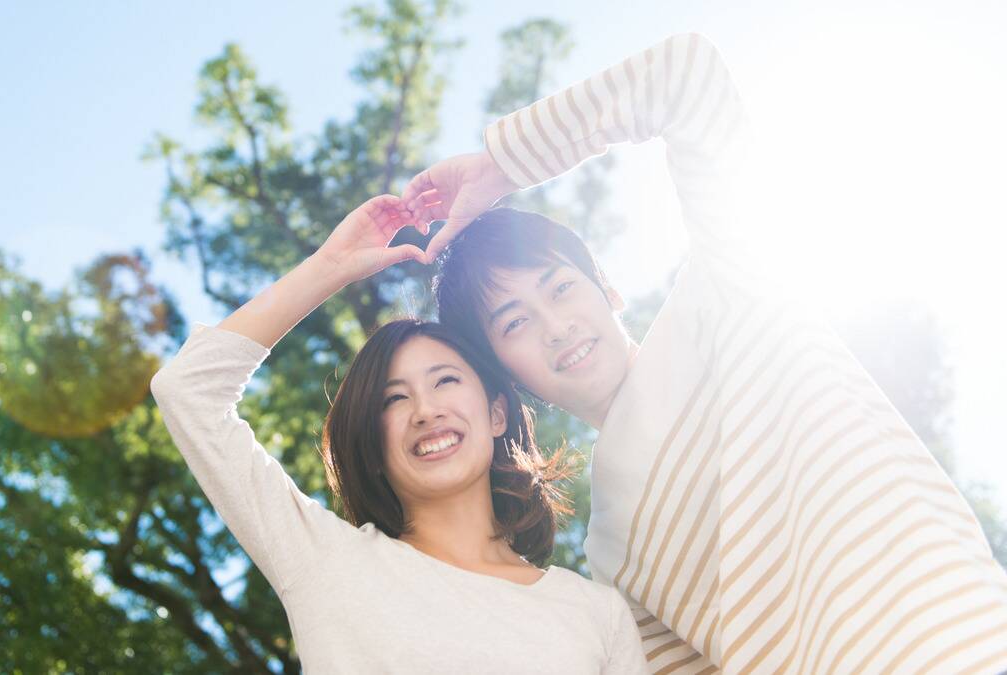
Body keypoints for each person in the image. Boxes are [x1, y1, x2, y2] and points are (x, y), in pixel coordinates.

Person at [403, 32, 1007, 674]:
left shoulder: (725, 292)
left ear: (607, 288)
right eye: (515, 322)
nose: (555, 326)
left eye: (561, 287)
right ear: (504, 375)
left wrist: (499, 166)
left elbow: (685, 77)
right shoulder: (613, 554)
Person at [149, 194, 649, 673]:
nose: (425, 410)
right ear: (371, 447)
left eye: (445, 380)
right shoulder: (327, 565)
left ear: (497, 414)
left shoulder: (596, 612)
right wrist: (330, 266)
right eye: (394, 398)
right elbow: (189, 390)